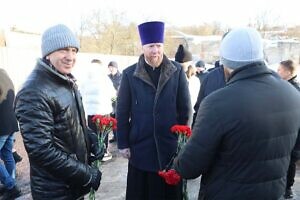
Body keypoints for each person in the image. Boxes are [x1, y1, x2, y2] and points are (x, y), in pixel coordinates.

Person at [173, 27, 300, 199]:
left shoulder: (217, 103)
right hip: (272, 194)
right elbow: (295, 151)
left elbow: (189, 167)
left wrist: (178, 160)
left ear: (225, 63)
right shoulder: (293, 94)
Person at [14, 24, 103, 199]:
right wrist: (85, 174)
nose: (70, 57)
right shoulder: (34, 90)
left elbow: (71, 124)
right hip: (55, 191)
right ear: (48, 53)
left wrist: (90, 138)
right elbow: (41, 150)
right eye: (63, 50)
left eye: (74, 50)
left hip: (72, 185)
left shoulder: (65, 80)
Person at [117, 21, 192, 200]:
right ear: (143, 47)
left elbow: (186, 109)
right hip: (141, 149)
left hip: (170, 149)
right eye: (151, 46)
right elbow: (122, 111)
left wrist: (184, 140)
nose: (155, 51)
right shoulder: (129, 74)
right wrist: (123, 143)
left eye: (158, 46)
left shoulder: (176, 71)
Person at [80, 58, 116, 162]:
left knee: (92, 132)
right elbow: (112, 94)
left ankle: (94, 152)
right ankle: (103, 153)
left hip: (91, 112)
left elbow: (81, 93)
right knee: (103, 132)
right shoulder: (104, 79)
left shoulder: (86, 79)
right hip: (103, 110)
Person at [277, 59, 300, 199]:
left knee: (290, 160)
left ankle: (287, 189)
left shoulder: (293, 89)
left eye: (279, 70)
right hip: (289, 131)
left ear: (288, 72)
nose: (277, 72)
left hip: (294, 133)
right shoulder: (287, 87)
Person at [0, 68, 21, 199]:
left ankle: (11, 186)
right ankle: (10, 182)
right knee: (7, 155)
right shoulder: (8, 84)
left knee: (7, 155)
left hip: (1, 127)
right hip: (11, 125)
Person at [107, 61, 122, 143]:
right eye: (110, 67)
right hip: (111, 102)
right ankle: (115, 136)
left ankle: (121, 136)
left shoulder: (122, 76)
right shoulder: (107, 77)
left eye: (112, 67)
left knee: (119, 120)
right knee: (112, 120)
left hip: (119, 101)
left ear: (116, 67)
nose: (111, 69)